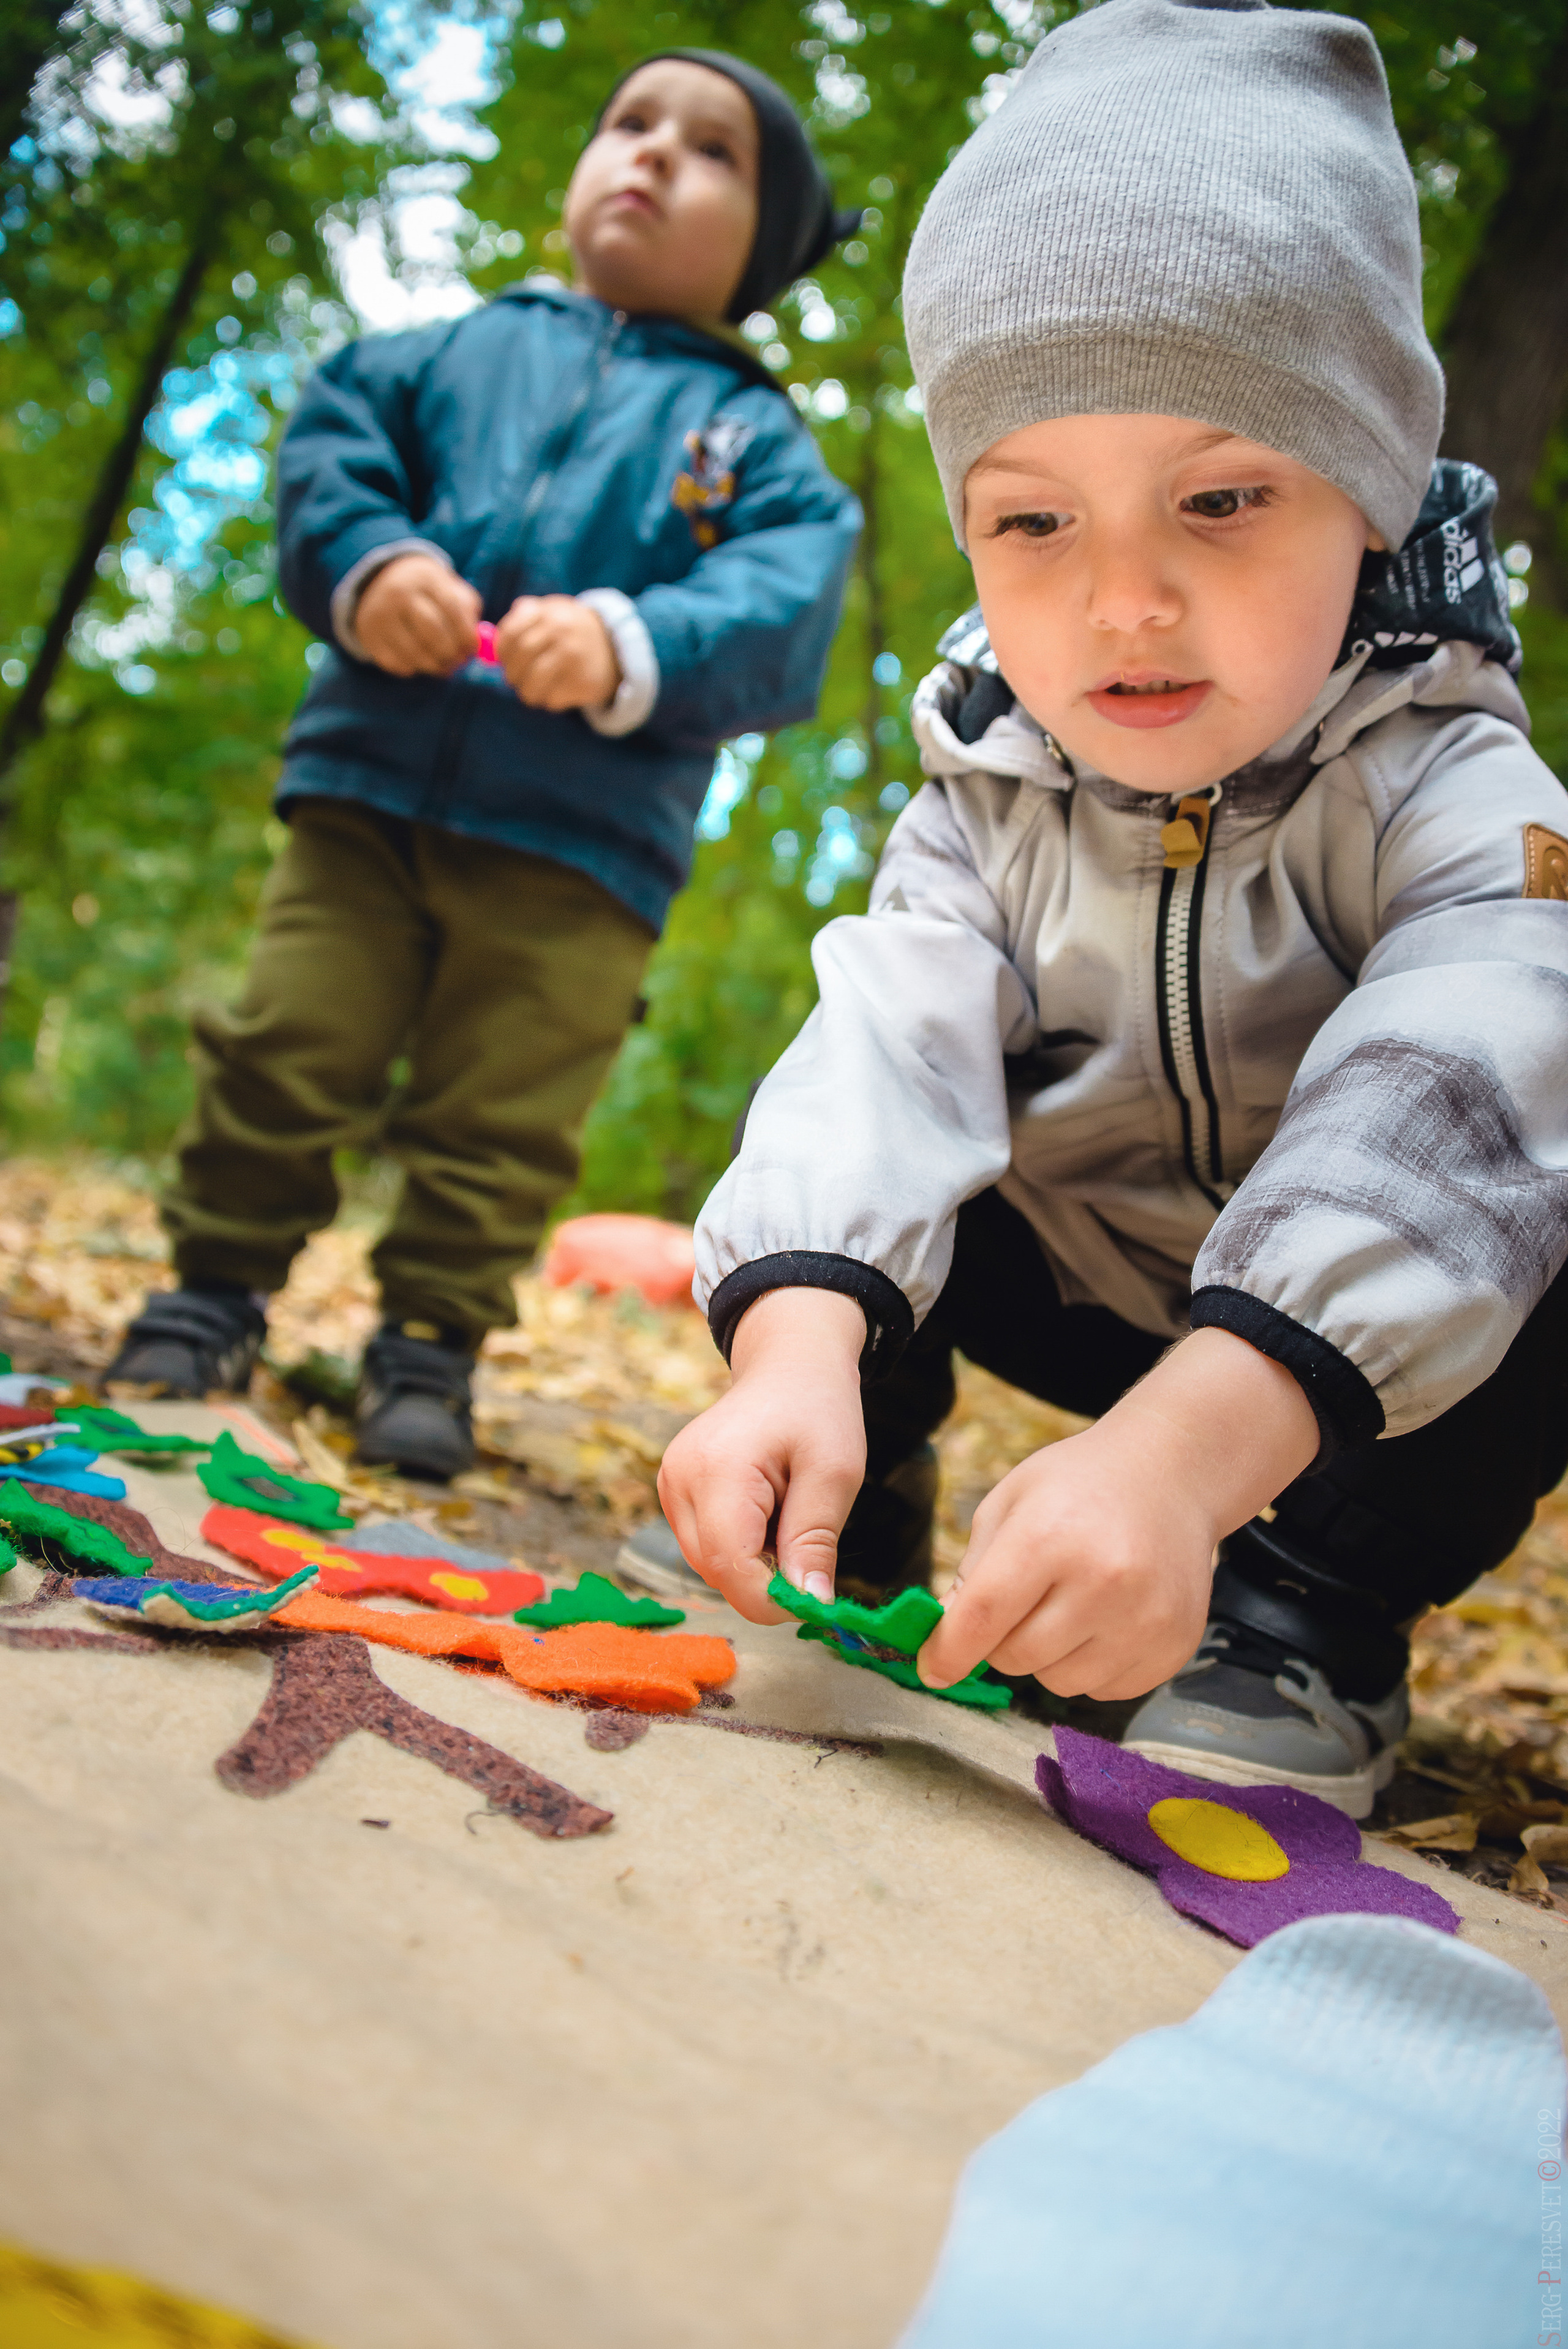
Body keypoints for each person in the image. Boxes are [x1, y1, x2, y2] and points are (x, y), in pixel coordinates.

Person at [655, 0, 1568, 1817]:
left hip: (1355, 1371)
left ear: (1370, 490)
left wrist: (1185, 1455)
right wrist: (791, 1343)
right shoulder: (985, 792)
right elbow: (881, 1058)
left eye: (1220, 497)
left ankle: (1301, 1610)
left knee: (1536, 1149)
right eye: (1033, 523)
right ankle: (835, 1487)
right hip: (1081, 1276)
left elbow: (1462, 1077)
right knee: (848, 1131)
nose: (1124, 601)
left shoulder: (1465, 796)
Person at [104, 50, 862, 1478]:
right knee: (287, 1042)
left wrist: (631, 637)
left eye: (710, 151)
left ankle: (429, 1343)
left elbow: (783, 596)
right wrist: (371, 561)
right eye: (628, 124)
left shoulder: (750, 437)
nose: (651, 153)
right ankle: (209, 1291)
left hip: (585, 848)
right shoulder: (446, 353)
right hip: (366, 795)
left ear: (761, 245)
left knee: (501, 1114)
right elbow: (333, 442)